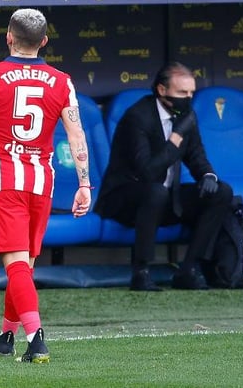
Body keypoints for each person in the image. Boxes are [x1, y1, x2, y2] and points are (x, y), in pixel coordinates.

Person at [0, 8, 91, 363]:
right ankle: (5, 336)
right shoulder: (62, 81)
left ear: (8, 37)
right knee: (23, 267)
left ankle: (37, 340)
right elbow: (76, 136)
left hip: (6, 181)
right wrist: (84, 184)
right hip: (42, 183)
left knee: (14, 265)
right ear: (44, 41)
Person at [95, 61, 233, 292]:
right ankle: (141, 272)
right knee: (156, 191)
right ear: (161, 90)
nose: (188, 98)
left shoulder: (186, 115)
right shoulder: (137, 117)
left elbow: (196, 155)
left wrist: (208, 176)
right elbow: (147, 172)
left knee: (222, 192)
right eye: (182, 92)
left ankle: (189, 269)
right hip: (125, 201)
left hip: (165, 199)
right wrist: (176, 137)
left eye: (191, 93)